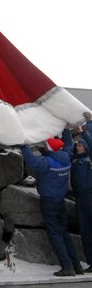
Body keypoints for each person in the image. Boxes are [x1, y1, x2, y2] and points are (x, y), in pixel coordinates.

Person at [21, 135, 84, 277]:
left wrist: (23, 146)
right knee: (64, 233)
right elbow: (68, 145)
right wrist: (66, 130)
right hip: (61, 200)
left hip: (49, 202)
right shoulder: (67, 157)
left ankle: (67, 267)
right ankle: (77, 266)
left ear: (49, 149)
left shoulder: (47, 163)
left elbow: (31, 161)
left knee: (55, 234)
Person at [63, 112, 92, 272]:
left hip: (90, 196)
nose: (77, 146)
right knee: (85, 232)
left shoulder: (90, 157)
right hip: (79, 198)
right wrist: (66, 128)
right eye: (77, 145)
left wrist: (87, 127)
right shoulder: (73, 157)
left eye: (80, 145)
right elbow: (68, 144)